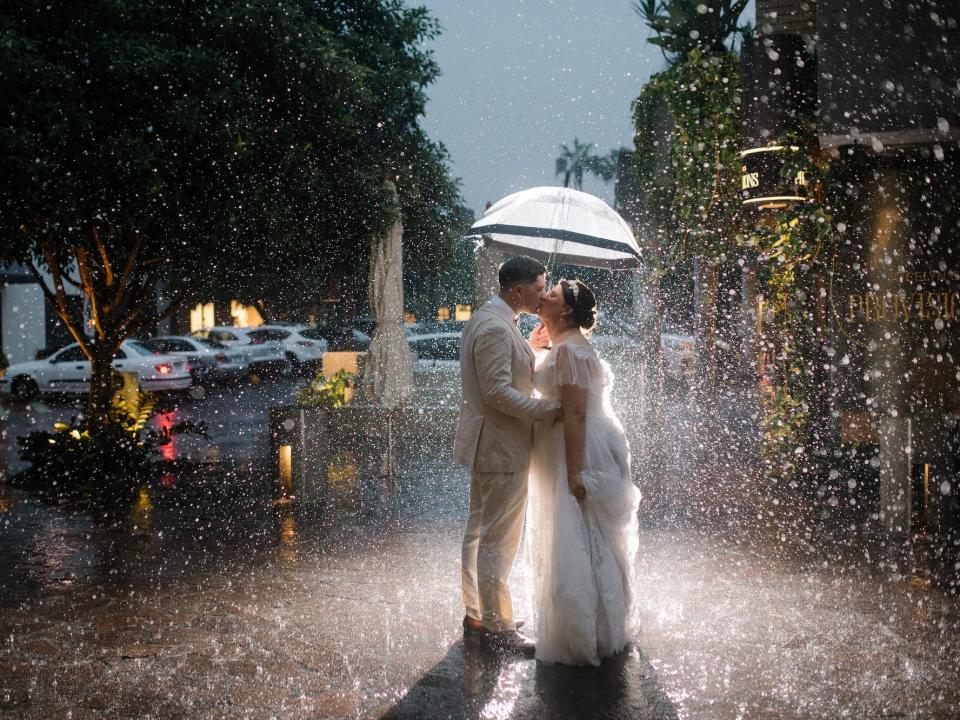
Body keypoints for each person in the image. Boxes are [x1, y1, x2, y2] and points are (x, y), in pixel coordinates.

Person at [526, 278, 641, 666]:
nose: (543, 296)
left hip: (576, 448)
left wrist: (574, 472)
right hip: (571, 443)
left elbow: (574, 414)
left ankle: (583, 630)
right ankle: (592, 624)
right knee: (576, 533)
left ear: (567, 311)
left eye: (552, 295)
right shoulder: (563, 348)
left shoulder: (571, 352)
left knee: (578, 532)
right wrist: (536, 347)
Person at [454, 255, 561, 657]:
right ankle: (497, 628)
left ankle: (478, 612)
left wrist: (528, 346)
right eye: (538, 288)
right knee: (499, 537)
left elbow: (503, 374)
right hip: (501, 445)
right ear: (517, 290)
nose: (542, 295)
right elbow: (498, 393)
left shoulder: (494, 321)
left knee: (480, 531)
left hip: (490, 443)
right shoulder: (496, 328)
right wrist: (547, 411)